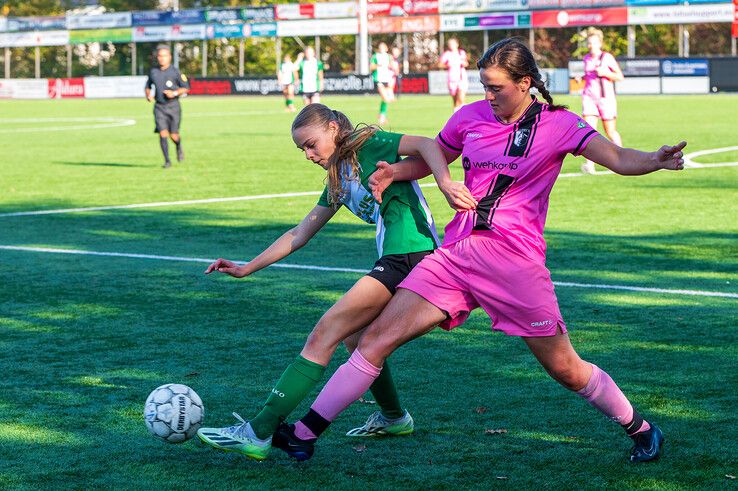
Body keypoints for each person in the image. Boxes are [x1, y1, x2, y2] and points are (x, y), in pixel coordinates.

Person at [273, 38, 686, 463]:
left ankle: (640, 428)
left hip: (514, 263)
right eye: (482, 86)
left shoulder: (559, 123)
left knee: (565, 368)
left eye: (495, 88)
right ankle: (304, 435)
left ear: (525, 83)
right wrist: (394, 171)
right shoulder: (469, 117)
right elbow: (433, 158)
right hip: (455, 255)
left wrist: (654, 159)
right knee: (374, 341)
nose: (486, 96)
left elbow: (616, 156)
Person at [197, 103, 449, 461]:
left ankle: (257, 431)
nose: (309, 154)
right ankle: (395, 418)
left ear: (334, 128)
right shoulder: (339, 178)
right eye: (303, 149)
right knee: (355, 337)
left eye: (312, 144)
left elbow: (426, 143)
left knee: (325, 331)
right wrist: (247, 267)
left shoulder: (368, 144)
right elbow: (300, 233)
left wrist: (445, 182)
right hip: (398, 257)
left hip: (411, 253)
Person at [580, 27, 624, 175]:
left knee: (610, 131)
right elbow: (589, 76)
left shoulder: (607, 58)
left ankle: (621, 159)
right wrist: (582, 77)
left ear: (600, 43)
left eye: (593, 43)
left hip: (606, 99)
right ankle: (589, 165)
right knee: (589, 132)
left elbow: (619, 76)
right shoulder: (586, 58)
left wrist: (605, 73)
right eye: (588, 43)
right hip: (589, 98)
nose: (590, 45)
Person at [145, 45, 190, 169]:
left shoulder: (175, 71)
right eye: (159, 56)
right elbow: (148, 86)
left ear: (169, 57)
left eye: (164, 56)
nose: (161, 58)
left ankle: (178, 146)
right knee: (163, 133)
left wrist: (174, 93)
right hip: (159, 107)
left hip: (174, 107)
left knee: (173, 135)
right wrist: (148, 95)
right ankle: (167, 161)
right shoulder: (153, 71)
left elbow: (186, 87)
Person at [439, 37, 469, 112]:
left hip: (462, 78)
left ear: (457, 44)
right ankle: (456, 117)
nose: (451, 45)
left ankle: (464, 115)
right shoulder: (447, 54)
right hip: (452, 79)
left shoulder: (461, 52)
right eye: (450, 44)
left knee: (461, 99)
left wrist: (463, 63)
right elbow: (440, 64)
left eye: (453, 43)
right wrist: (447, 65)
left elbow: (466, 63)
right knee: (455, 101)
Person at [371, 42, 395, 125]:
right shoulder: (375, 56)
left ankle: (381, 116)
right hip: (378, 79)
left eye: (383, 47)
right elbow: (371, 67)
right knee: (386, 98)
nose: (381, 48)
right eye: (380, 47)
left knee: (387, 100)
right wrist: (378, 65)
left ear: (386, 48)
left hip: (387, 79)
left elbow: (392, 67)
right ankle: (381, 117)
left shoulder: (389, 57)